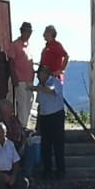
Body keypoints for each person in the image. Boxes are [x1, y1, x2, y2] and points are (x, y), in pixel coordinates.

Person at [36, 25, 69, 178]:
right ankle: (47, 169)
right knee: (46, 142)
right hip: (45, 80)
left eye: (46, 32)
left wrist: (59, 71)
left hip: (52, 77)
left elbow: (65, 56)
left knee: (57, 141)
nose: (44, 34)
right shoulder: (46, 48)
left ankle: (60, 170)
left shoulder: (56, 46)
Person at [6, 21, 37, 130]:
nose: (28, 34)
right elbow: (11, 62)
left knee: (29, 102)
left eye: (30, 32)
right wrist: (14, 77)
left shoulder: (28, 46)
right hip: (20, 79)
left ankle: (26, 125)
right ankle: (22, 126)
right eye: (26, 32)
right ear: (22, 32)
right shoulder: (15, 45)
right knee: (22, 103)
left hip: (29, 80)